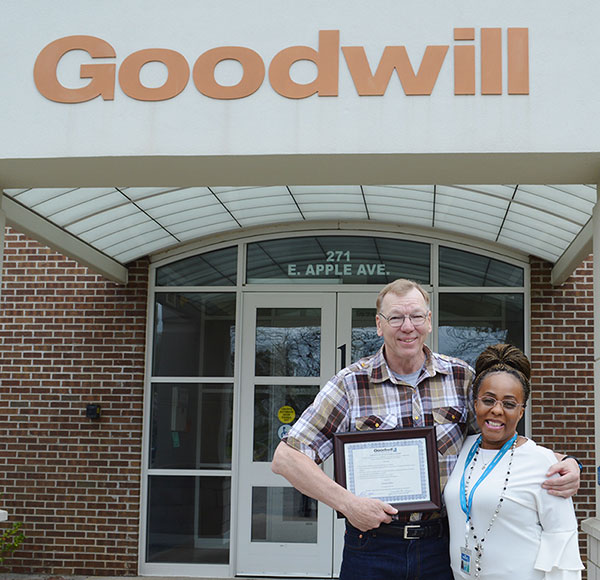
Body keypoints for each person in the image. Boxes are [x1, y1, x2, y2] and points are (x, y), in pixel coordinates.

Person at [271, 279, 581, 580]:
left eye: (416, 316)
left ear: (429, 321)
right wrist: (348, 504)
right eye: (396, 317)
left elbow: (498, 439)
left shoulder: (461, 378)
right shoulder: (350, 384)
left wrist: (563, 462)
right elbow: (286, 458)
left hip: (442, 545)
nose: (408, 326)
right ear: (379, 325)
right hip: (372, 545)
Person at [445, 344, 583, 579]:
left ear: (521, 411)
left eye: (509, 404)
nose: (497, 410)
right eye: (488, 400)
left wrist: (573, 462)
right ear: (475, 403)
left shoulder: (543, 463)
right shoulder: (462, 448)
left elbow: (562, 540)